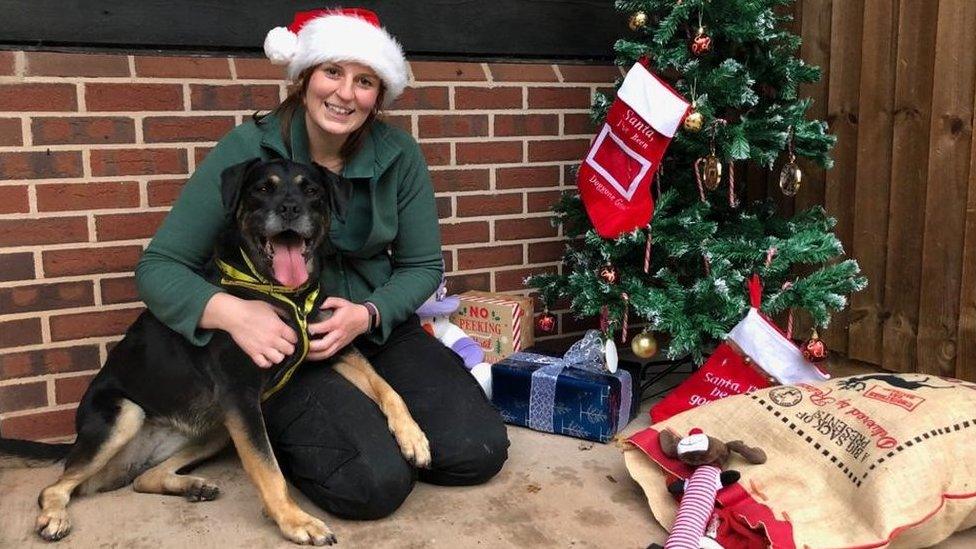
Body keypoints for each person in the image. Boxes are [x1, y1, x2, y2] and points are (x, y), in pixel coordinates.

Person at [135, 7, 509, 520]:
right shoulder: (247, 149)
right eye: (332, 71)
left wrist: (369, 314)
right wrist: (234, 313)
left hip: (372, 324)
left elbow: (423, 266)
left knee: (476, 451)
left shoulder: (399, 155)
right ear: (305, 76)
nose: (345, 93)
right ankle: (309, 437)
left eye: (365, 80)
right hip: (284, 342)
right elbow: (159, 266)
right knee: (373, 487)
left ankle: (353, 430)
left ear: (379, 94)